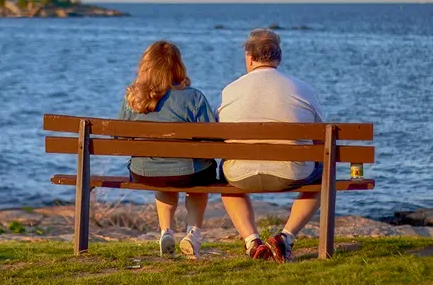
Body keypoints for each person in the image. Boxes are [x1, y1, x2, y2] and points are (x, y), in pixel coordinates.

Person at [217, 29, 325, 263]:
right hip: (291, 173)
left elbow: (222, 136)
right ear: (279, 57)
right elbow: (321, 137)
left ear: (249, 57)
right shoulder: (302, 89)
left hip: (239, 175)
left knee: (223, 177)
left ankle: (252, 241)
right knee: (323, 178)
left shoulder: (230, 90)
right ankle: (285, 237)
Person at [117, 40, 217, 258]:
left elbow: (120, 137)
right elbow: (212, 137)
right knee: (199, 173)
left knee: (162, 171)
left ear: (146, 66)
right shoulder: (194, 96)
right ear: (177, 66)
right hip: (190, 173)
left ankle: (166, 231)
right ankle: (192, 234)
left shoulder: (132, 98)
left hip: (145, 172)